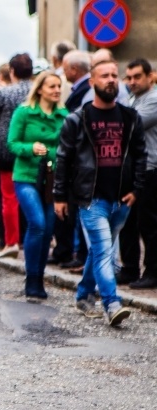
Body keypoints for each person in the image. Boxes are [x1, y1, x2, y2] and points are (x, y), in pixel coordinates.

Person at [54, 60, 147, 327]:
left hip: (122, 199)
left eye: (114, 76)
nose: (111, 80)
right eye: (104, 75)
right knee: (105, 251)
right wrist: (60, 196)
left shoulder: (130, 118)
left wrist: (137, 189)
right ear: (92, 81)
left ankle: (83, 294)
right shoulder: (77, 120)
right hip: (91, 199)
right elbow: (64, 160)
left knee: (99, 251)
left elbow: (141, 156)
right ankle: (112, 303)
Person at [7, 71, 68, 300]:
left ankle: (39, 278)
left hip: (53, 179)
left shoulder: (64, 116)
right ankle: (31, 278)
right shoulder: (24, 112)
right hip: (26, 176)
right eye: (52, 86)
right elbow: (12, 143)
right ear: (40, 88)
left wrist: (53, 153)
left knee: (48, 230)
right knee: (38, 223)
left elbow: (68, 147)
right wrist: (30, 148)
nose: (56, 90)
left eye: (59, 86)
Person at [0, 53, 35, 259]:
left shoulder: (5, 93)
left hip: (6, 151)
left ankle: (10, 241)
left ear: (13, 71)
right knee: (31, 194)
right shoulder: (38, 92)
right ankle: (28, 238)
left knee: (7, 197)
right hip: (34, 148)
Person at [53, 50, 93, 270]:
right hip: (76, 161)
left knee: (80, 215)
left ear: (74, 69)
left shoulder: (85, 92)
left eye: (66, 68)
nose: (64, 74)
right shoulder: (79, 91)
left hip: (80, 163)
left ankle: (80, 255)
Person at [121, 59, 157, 289]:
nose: (133, 82)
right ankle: (130, 268)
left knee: (149, 223)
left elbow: (129, 126)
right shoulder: (131, 99)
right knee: (128, 222)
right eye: (129, 77)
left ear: (149, 77)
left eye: (137, 77)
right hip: (133, 169)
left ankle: (153, 272)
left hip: (151, 168)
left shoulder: (154, 100)